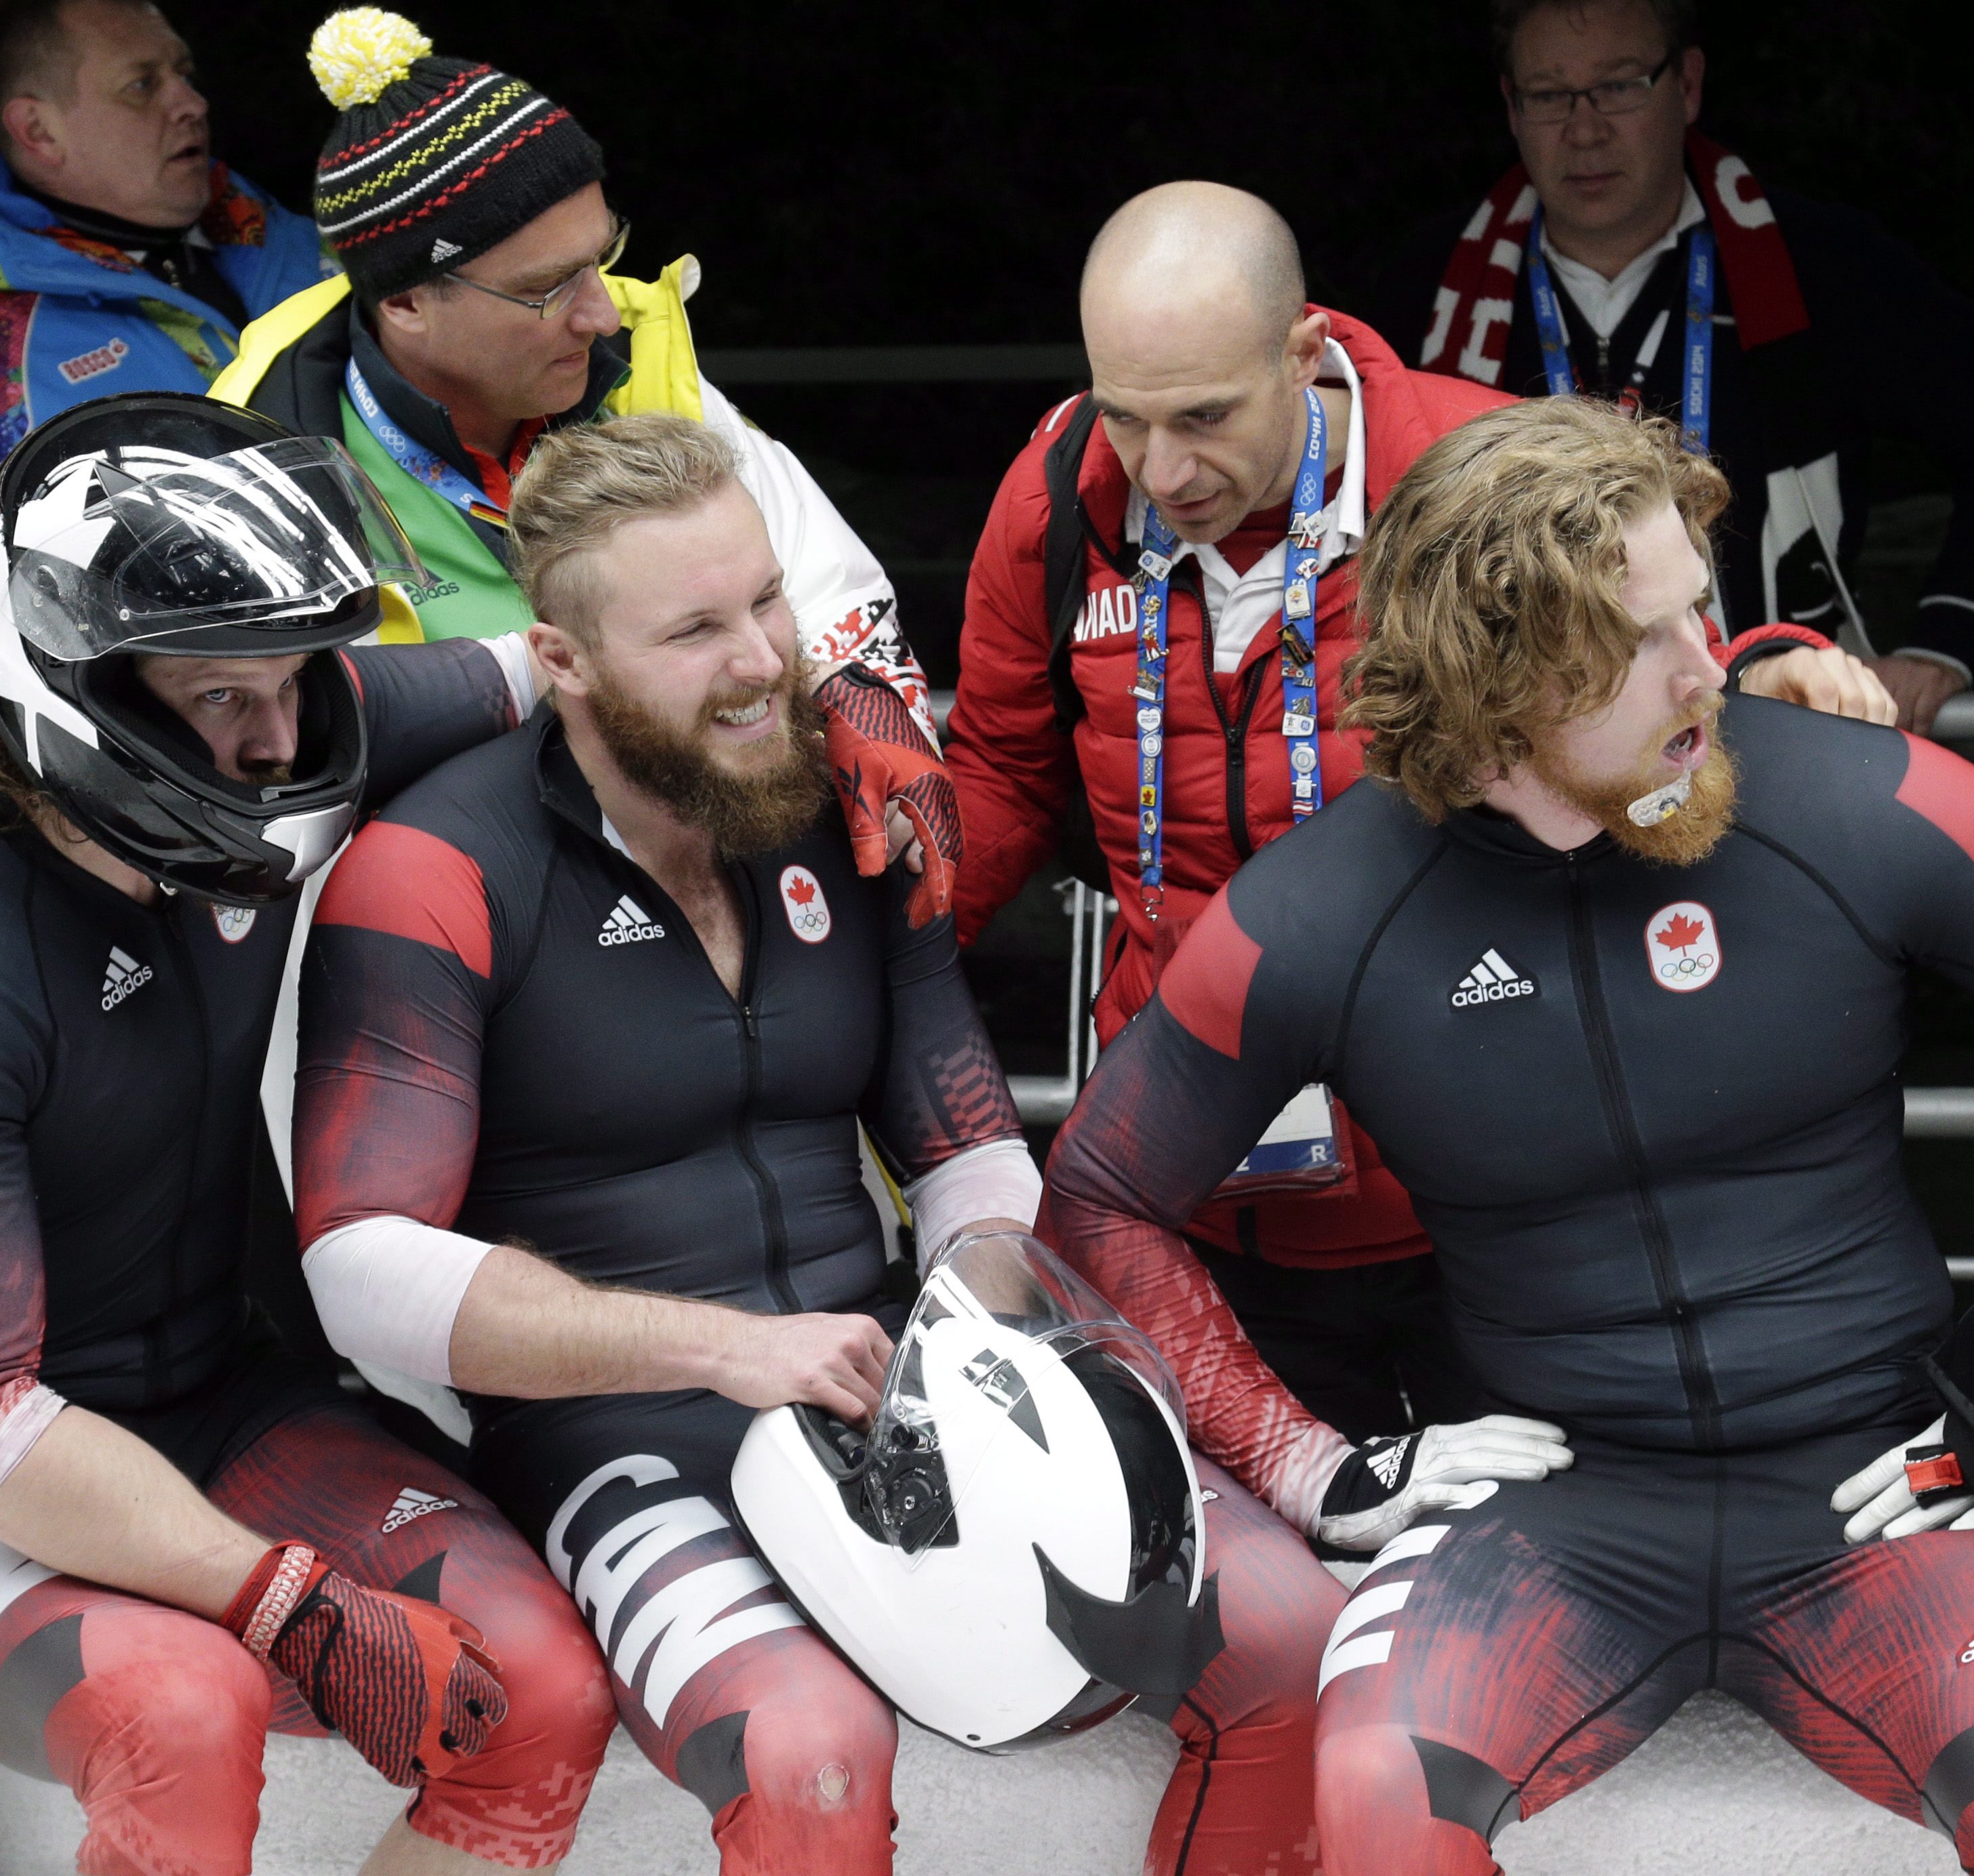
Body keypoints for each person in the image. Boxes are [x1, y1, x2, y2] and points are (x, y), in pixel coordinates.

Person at [1039, 398, 1974, 1874]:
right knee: (1369, 1786)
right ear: (1498, 683)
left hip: (1878, 1483)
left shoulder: (1846, 798)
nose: (1707, 664)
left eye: (1698, 605)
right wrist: (1312, 1465)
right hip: (1554, 1511)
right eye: (1639, 642)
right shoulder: (1320, 911)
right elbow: (1099, 1197)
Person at [293, 413, 1344, 1876]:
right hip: (620, 1431)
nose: (763, 660)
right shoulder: (431, 870)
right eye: (694, 629)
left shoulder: (841, 802)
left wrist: (985, 1311)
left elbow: (963, 1133)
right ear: (564, 658)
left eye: (766, 600)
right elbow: (358, 1264)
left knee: (1284, 1629)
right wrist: (724, 1350)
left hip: (885, 1383)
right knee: (810, 1752)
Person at [0, 394, 613, 1876]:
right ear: (78, 688)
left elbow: (555, 667)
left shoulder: (268, 728)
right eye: (225, 695)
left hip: (220, 1389)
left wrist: (826, 696)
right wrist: (285, 1598)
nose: (280, 737)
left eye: (296, 679)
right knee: (183, 1707)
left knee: (532, 1684)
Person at [947, 182, 1892, 1441]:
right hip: (1200, 1187)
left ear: (1301, 349)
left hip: (1485, 1187)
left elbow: (1658, 683)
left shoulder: (1472, 470)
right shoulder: (1059, 493)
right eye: (1127, 416)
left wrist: (1767, 670)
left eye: (1205, 417)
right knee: (1252, 1582)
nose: (1163, 469)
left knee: (1522, 1564)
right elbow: (999, 780)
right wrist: (851, 955)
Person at [216, 10, 953, 918]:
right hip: (436, 932)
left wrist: (873, 707)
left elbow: (826, 581)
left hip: (694, 896)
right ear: (404, 301)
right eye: (544, 288)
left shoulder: (641, 363)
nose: (602, 313)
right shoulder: (254, 463)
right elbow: (285, 753)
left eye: (599, 255)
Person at [1420, 0, 1974, 732]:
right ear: (1511, 107)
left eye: (1619, 85)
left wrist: (1945, 644)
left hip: (1780, 731)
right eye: (1550, 95)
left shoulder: (1814, 265)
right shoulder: (1430, 290)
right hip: (1517, 748)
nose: (1585, 130)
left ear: (1687, 85)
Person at [0, 0, 331, 753]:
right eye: (142, 86)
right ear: (39, 131)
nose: (191, 102)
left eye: (183, 74)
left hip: (392, 702)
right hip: (216, 786)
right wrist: (75, 716)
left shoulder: (289, 240)